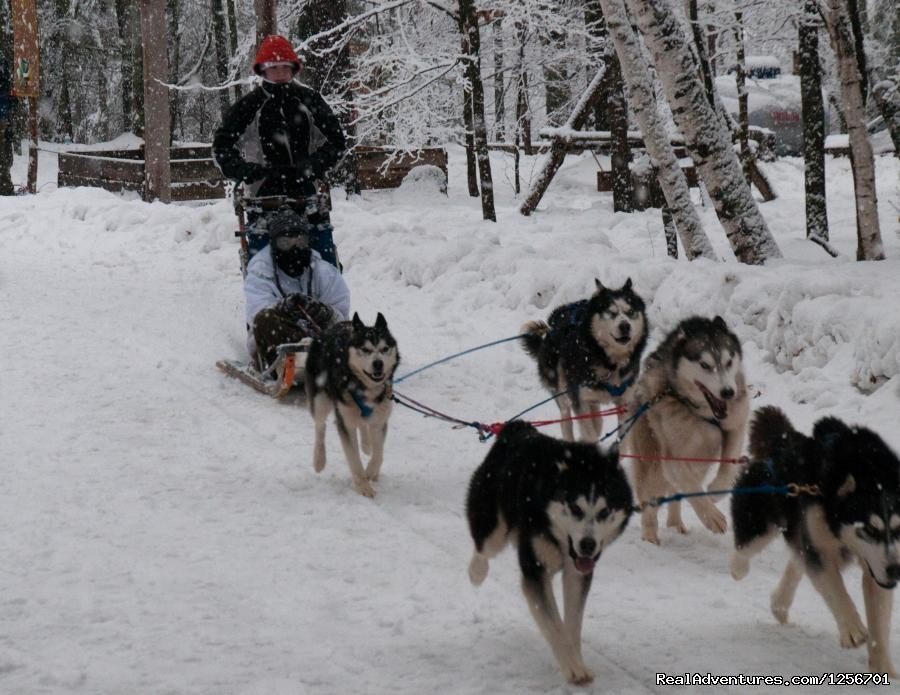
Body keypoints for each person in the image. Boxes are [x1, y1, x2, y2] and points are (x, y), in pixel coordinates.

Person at [213, 34, 347, 266]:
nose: (281, 72)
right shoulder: (249, 106)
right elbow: (222, 146)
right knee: (261, 266)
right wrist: (246, 171)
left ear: (294, 68)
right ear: (262, 70)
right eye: (274, 67)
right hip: (262, 197)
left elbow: (336, 142)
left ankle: (327, 298)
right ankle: (265, 299)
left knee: (323, 260)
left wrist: (313, 166)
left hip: (307, 195)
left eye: (286, 67)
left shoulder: (309, 101)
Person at [245, 207, 350, 372]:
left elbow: (341, 314)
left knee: (349, 328)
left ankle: (320, 356)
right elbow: (257, 312)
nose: (294, 249)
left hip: (319, 337)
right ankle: (287, 360)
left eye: (300, 242)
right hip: (279, 339)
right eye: (285, 243)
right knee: (265, 319)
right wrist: (282, 309)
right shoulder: (261, 271)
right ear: (274, 245)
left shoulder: (324, 271)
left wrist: (325, 312)